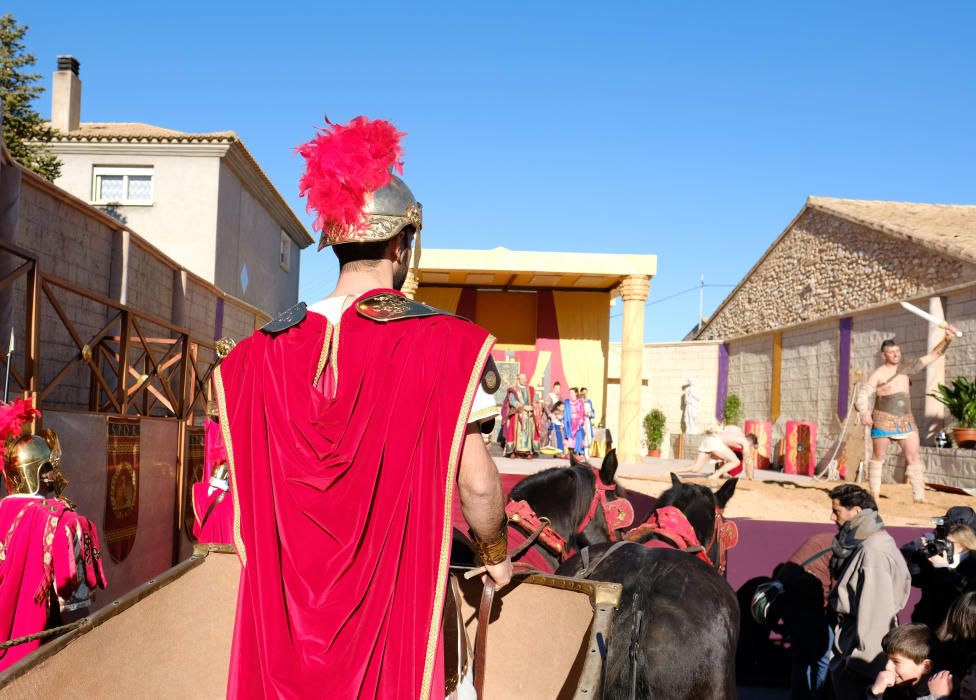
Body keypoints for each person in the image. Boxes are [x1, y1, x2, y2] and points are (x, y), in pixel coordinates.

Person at [214, 116, 512, 699]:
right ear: (403, 243)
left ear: (335, 241)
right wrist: (496, 555)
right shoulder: (446, 346)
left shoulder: (254, 356)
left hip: (281, 645)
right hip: (388, 638)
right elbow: (477, 488)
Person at [0, 399, 106, 672]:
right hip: (36, 669)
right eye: (50, 466)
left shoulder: (3, 511)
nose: (55, 472)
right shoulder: (67, 524)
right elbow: (76, 614)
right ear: (40, 474)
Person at [827, 484, 911, 700]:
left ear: (855, 512)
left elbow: (876, 618)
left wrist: (860, 665)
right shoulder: (872, 546)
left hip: (861, 662)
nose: (831, 517)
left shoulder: (873, 553)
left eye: (837, 511)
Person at [856, 325, 958, 503]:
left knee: (914, 457)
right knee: (878, 457)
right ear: (883, 355)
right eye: (891, 352)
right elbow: (863, 394)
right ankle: (875, 494)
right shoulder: (878, 374)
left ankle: (919, 495)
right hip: (883, 420)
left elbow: (934, 355)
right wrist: (864, 412)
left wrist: (947, 339)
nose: (896, 355)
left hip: (906, 420)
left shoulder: (906, 367)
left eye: (897, 351)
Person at [867, 624, 950, 699]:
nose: (887, 667)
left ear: (926, 667)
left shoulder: (950, 693)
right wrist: (875, 693)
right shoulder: (890, 690)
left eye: (896, 662)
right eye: (887, 659)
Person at [691, 426, 758, 479]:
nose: (750, 447)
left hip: (719, 445)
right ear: (750, 442)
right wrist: (749, 474)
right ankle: (720, 473)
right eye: (751, 445)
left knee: (733, 459)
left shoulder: (740, 438)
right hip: (719, 445)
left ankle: (720, 473)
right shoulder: (743, 442)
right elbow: (748, 461)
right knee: (737, 460)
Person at [502, 372, 538, 458]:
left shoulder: (531, 389)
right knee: (514, 433)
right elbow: (512, 401)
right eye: (522, 379)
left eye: (525, 378)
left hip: (528, 415)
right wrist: (524, 407)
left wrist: (533, 406)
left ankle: (527, 452)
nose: (524, 380)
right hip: (517, 414)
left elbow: (535, 401)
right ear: (518, 379)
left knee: (527, 434)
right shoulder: (513, 389)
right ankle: (513, 451)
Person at [563, 387, 588, 459]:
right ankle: (570, 453)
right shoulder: (567, 402)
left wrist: (579, 423)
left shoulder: (580, 402)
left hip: (577, 423)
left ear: (576, 393)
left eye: (572, 393)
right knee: (569, 438)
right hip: (569, 422)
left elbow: (582, 413)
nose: (570, 394)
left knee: (577, 436)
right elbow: (564, 412)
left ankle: (577, 453)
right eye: (569, 393)